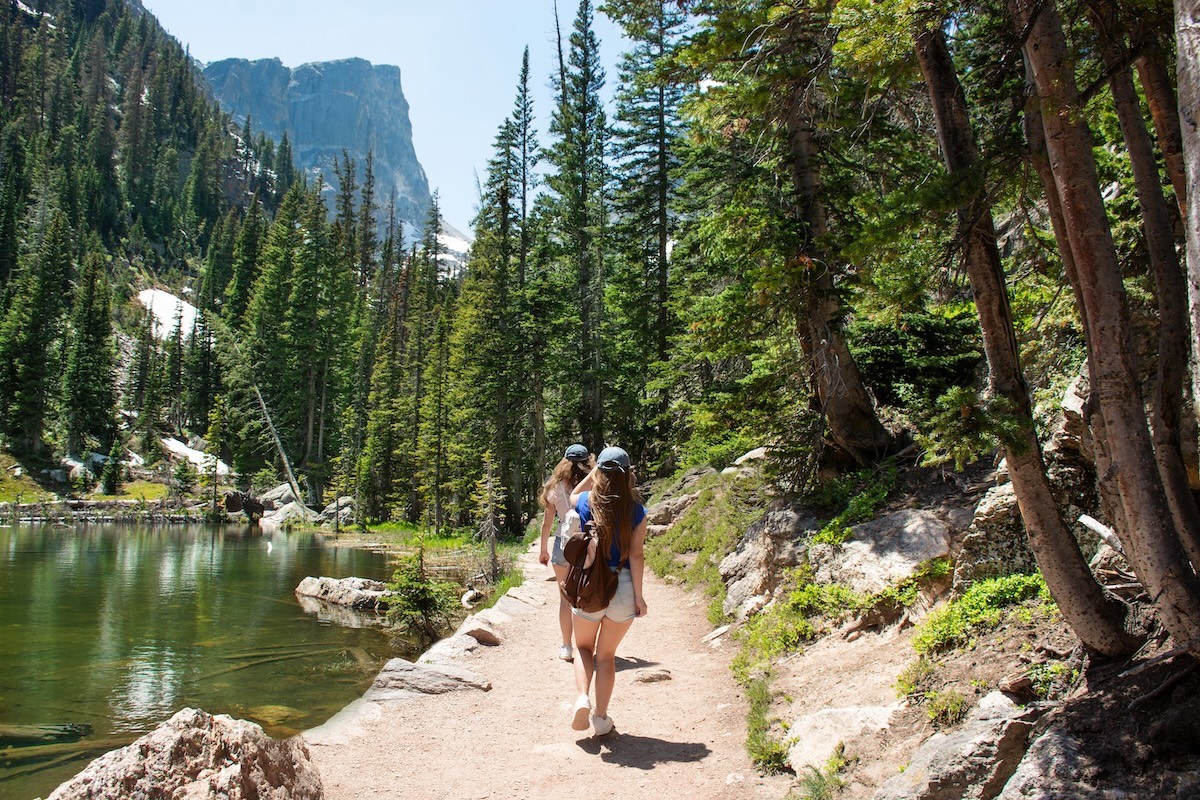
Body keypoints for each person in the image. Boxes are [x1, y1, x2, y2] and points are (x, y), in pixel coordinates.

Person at [566, 445, 647, 737]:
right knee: (606, 656)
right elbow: (636, 556)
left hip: (590, 585)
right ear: (628, 476)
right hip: (623, 586)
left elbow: (573, 493)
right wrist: (639, 597)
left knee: (582, 648)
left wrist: (595, 472)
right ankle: (600, 718)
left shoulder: (587, 501)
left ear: (600, 472)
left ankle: (581, 698)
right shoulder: (637, 510)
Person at [538, 443, 593, 661]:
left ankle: (566, 646)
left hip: (563, 543)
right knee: (587, 594)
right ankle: (586, 646)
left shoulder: (554, 486)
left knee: (565, 599)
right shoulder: (594, 483)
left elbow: (546, 522)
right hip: (588, 543)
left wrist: (543, 550)